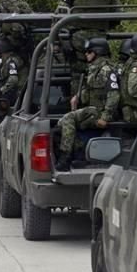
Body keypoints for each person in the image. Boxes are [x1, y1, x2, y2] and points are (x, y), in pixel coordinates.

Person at [54, 37, 120, 172]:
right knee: (66, 125)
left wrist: (105, 117)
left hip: (100, 112)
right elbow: (90, 90)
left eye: (89, 51)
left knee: (68, 119)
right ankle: (78, 155)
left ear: (97, 52)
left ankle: (65, 158)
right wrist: (77, 97)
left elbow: (114, 94)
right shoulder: (94, 69)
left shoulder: (106, 70)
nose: (86, 54)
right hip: (93, 111)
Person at [57, 0, 122, 91]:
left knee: (77, 74)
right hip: (100, 40)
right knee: (102, 71)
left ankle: (76, 100)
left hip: (77, 40)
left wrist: (64, 38)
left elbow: (60, 12)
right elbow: (118, 16)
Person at [0, 35, 27, 121]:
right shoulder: (13, 60)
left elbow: (13, 79)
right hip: (20, 93)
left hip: (18, 93)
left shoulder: (11, 61)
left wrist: (1, 90)